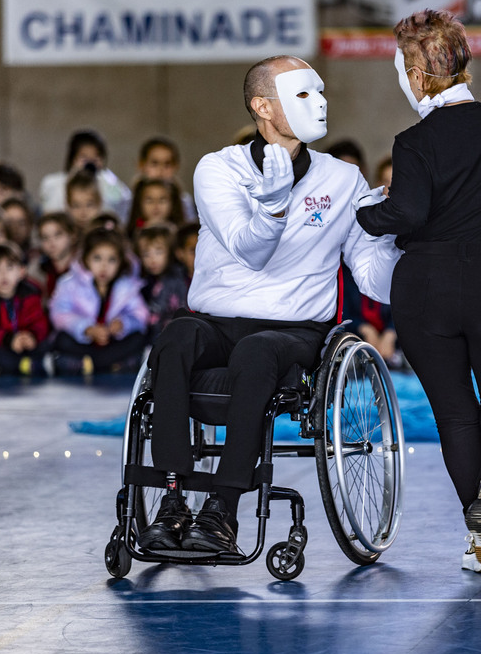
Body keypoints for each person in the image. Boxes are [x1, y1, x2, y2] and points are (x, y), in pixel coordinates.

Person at [140, 54, 399, 558]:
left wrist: (388, 236)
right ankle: (171, 500)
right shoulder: (218, 169)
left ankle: (222, 510)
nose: (320, 102)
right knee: (173, 337)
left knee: (257, 353)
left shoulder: (342, 180)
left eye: (320, 91)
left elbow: (374, 282)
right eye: (303, 94)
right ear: (262, 106)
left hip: (294, 330)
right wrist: (275, 206)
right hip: (216, 321)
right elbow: (249, 248)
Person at [357, 10, 481, 575]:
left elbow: (408, 211)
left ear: (419, 73)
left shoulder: (413, 141)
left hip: (427, 286)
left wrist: (365, 214)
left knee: (457, 416)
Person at [47, 227, 147, 375]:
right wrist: (86, 329)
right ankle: (110, 364)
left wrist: (123, 324)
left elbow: (140, 314)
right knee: (61, 340)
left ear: (120, 262)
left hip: (112, 342)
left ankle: (92, 364)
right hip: (84, 343)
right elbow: (59, 313)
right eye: (97, 258)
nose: (104, 266)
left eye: (111, 260)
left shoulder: (127, 286)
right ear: (86, 259)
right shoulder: (69, 283)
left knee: (138, 338)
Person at [0, 242, 50, 377]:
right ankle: (24, 365)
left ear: (22, 272)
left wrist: (31, 336)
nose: (3, 275)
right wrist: (8, 339)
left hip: (25, 345)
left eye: (10, 268)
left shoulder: (30, 293)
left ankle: (16, 365)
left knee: (49, 341)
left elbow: (40, 322)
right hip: (1, 344)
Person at [40, 129, 132, 219]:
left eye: (96, 157)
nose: (90, 162)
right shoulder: (55, 183)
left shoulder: (110, 182)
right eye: (84, 157)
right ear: (73, 158)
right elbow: (51, 214)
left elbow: (122, 207)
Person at [134, 223, 188, 345]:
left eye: (159, 252)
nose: (152, 259)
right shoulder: (144, 282)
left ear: (171, 252)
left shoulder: (177, 279)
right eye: (146, 254)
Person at [31, 212, 77, 300]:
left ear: (72, 236)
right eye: (45, 238)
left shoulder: (84, 268)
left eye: (58, 235)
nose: (52, 243)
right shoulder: (36, 272)